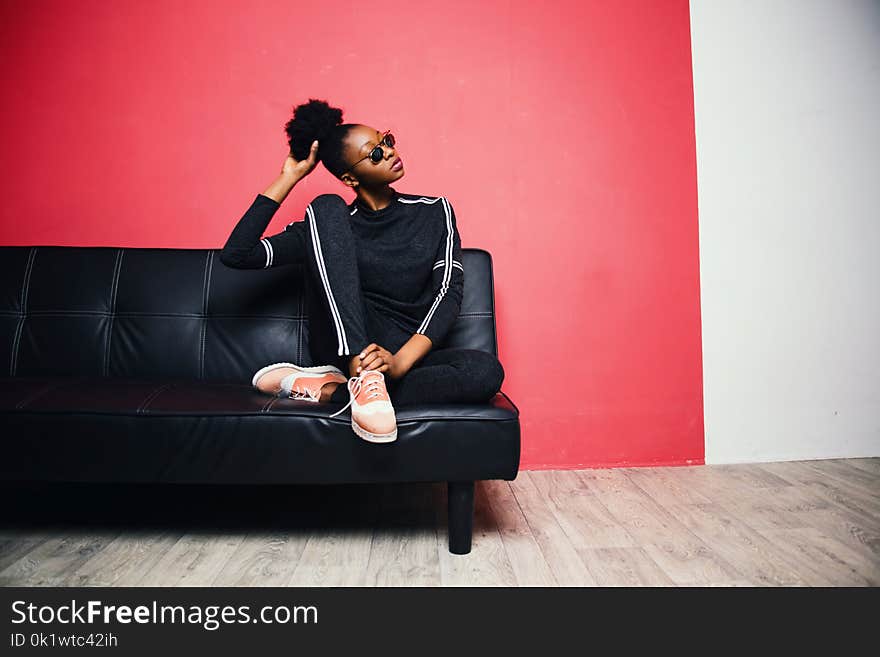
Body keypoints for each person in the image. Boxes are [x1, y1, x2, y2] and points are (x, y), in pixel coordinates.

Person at [219, 98, 505, 443]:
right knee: (326, 205)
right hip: (346, 346)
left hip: (401, 353)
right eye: (374, 153)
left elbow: (448, 291)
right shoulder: (328, 227)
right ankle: (360, 374)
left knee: (485, 371)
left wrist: (398, 363)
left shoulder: (433, 211)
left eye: (386, 141)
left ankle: (328, 391)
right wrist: (289, 177)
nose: (388, 152)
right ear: (349, 177)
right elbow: (238, 254)